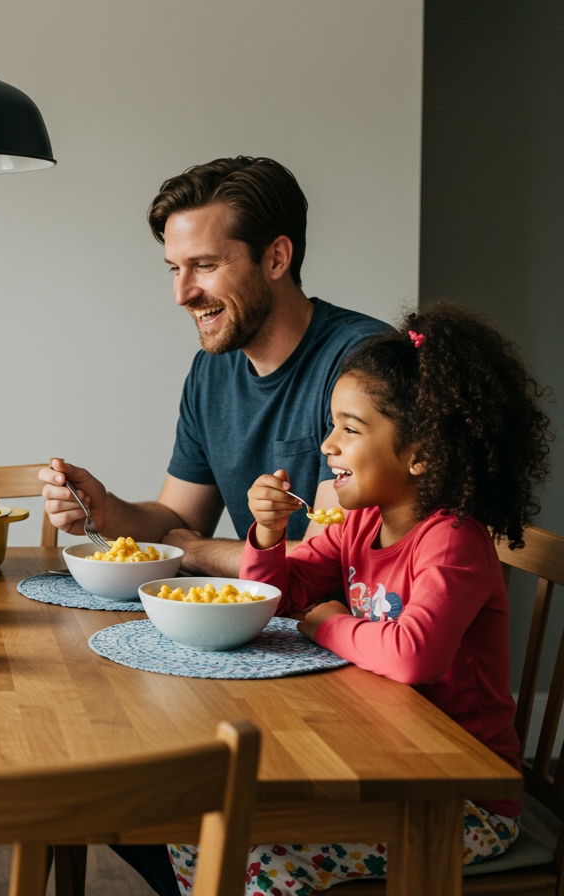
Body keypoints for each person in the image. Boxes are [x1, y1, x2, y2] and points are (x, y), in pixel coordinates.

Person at [171, 304, 552, 895]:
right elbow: (279, 595)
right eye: (332, 425)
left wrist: (325, 624)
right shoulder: (361, 525)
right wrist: (267, 537)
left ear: (421, 451)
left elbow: (411, 655)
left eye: (349, 429)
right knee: (196, 829)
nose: (327, 445)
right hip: (390, 762)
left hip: (463, 801)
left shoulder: (453, 542)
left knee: (259, 859)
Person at [40, 157, 389, 576]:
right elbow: (180, 520)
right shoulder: (211, 372)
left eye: (204, 265)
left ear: (276, 258)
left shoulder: (364, 365)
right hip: (270, 622)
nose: (182, 294)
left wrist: (197, 552)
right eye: (175, 268)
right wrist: (105, 510)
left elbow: (328, 559)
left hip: (358, 628)